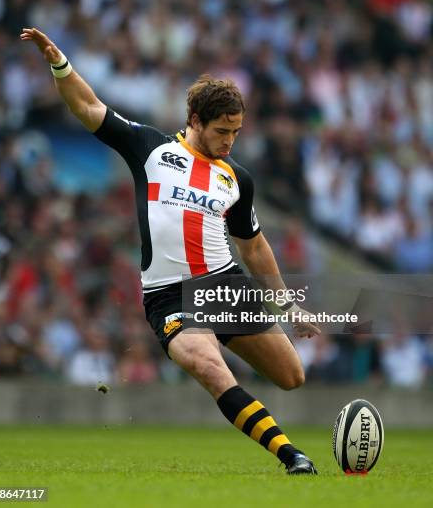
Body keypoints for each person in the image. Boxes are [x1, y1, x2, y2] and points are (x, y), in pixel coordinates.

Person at [20, 27, 320, 474]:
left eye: (236, 132)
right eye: (222, 131)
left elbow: (254, 247)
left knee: (292, 377)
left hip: (225, 286)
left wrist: (287, 304)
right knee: (209, 367)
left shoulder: (237, 179)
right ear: (195, 119)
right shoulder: (150, 147)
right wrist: (59, 63)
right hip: (170, 296)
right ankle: (290, 455)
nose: (229, 141)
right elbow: (87, 106)